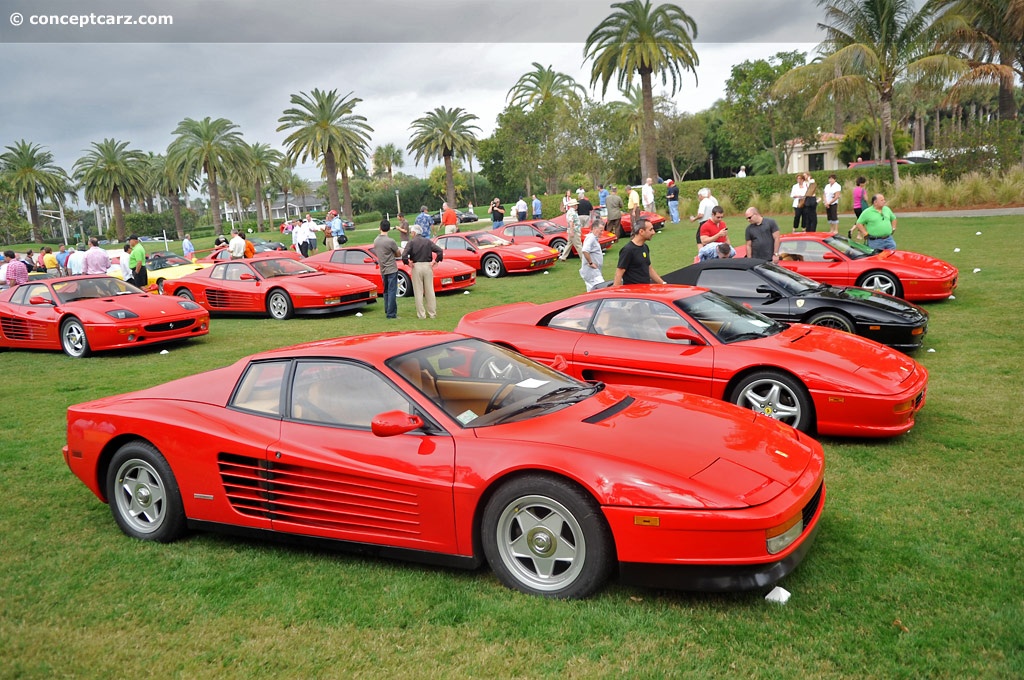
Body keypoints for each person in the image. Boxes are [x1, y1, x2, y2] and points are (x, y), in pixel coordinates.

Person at [401, 224, 444, 319]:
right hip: (427, 266)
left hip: (416, 267)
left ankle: (421, 314)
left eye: (412, 232)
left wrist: (408, 263)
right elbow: (439, 251)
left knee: (418, 291)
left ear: (414, 232)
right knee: (430, 291)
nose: (411, 234)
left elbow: (404, 255)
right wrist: (436, 261)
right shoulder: (428, 241)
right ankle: (432, 313)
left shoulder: (411, 243)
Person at [614, 217, 663, 286]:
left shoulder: (645, 247)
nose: (653, 232)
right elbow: (619, 273)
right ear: (641, 232)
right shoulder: (628, 250)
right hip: (634, 293)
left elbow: (649, 268)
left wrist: (663, 283)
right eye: (651, 230)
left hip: (645, 290)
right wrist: (617, 293)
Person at [373, 219, 401, 319]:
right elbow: (398, 253)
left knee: (386, 291)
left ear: (380, 228)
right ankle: (391, 313)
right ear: (389, 229)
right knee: (392, 291)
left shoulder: (376, 241)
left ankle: (387, 309)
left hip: (383, 269)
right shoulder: (390, 241)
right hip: (392, 269)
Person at [579, 223, 605, 291]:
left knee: (592, 290)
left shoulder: (594, 238)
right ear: (594, 229)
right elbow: (585, 250)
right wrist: (590, 263)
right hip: (592, 272)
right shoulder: (591, 238)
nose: (602, 233)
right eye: (600, 230)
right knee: (601, 288)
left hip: (594, 271)